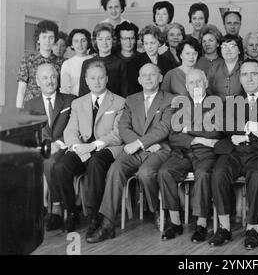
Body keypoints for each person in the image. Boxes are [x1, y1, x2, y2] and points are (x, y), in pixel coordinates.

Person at [87, 63, 175, 243]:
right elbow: (123, 127)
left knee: (146, 173)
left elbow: (165, 127)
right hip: (137, 149)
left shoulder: (170, 99)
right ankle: (108, 224)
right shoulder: (131, 99)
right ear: (139, 80)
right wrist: (140, 144)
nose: (148, 78)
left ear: (160, 77)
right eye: (144, 75)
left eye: (152, 75)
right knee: (115, 169)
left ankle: (157, 209)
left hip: (159, 149)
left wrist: (140, 143)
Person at [209, 58, 258, 250]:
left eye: (254, 73)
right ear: (240, 78)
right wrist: (251, 129)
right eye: (244, 74)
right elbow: (226, 128)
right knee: (218, 174)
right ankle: (224, 228)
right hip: (233, 152)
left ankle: (252, 229)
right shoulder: (231, 101)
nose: (249, 78)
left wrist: (245, 137)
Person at [52, 60, 125, 232]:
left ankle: (94, 216)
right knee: (61, 166)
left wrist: (92, 147)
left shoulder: (119, 102)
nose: (97, 82)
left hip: (106, 148)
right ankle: (71, 211)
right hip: (82, 148)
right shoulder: (78, 103)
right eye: (92, 78)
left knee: (95, 163)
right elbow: (70, 131)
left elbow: (117, 134)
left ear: (106, 79)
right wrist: (79, 148)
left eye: (100, 78)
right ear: (86, 80)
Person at [159, 69, 223, 242]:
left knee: (202, 175)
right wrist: (195, 139)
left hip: (206, 154)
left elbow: (215, 132)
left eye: (199, 82)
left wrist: (187, 129)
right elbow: (174, 136)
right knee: (165, 172)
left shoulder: (216, 103)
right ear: (187, 86)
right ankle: (175, 222)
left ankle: (201, 224)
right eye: (192, 83)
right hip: (183, 152)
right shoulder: (180, 104)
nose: (196, 85)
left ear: (206, 83)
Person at [23, 63, 76, 231]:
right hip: (43, 148)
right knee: (42, 162)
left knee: (50, 162)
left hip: (65, 146)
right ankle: (39, 210)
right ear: (38, 82)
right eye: (45, 78)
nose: (50, 81)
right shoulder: (30, 105)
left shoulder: (70, 100)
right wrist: (42, 147)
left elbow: (74, 127)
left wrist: (58, 143)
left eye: (53, 77)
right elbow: (29, 133)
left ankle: (56, 208)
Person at [16, 20, 65, 108]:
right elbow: (21, 88)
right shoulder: (28, 60)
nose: (47, 41)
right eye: (44, 37)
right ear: (38, 39)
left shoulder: (61, 62)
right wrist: (19, 110)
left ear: (55, 40)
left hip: (53, 106)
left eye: (51, 37)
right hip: (31, 106)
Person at [78, 23, 128, 98]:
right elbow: (82, 93)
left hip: (114, 106)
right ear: (95, 41)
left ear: (113, 40)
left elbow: (124, 93)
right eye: (100, 39)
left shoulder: (120, 63)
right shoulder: (86, 63)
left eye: (108, 39)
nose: (104, 42)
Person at [128, 25, 177, 95]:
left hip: (164, 99)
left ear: (159, 43)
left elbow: (171, 86)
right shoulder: (134, 62)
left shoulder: (168, 62)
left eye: (152, 43)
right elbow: (133, 88)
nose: (149, 47)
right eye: (146, 43)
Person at [207, 34, 244, 101]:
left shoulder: (245, 68)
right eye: (224, 46)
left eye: (232, 46)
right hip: (218, 108)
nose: (227, 49)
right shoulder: (214, 68)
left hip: (241, 108)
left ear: (239, 50)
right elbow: (208, 91)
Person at [60, 29, 93, 96]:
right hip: (73, 100)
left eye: (83, 40)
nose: (80, 44)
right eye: (76, 41)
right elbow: (65, 90)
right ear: (71, 45)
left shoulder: (94, 60)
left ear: (88, 42)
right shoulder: (67, 64)